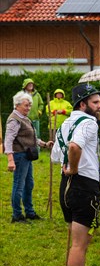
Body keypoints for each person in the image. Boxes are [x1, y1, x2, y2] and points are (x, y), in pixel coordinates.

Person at [51, 83, 100, 266]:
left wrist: (70, 169)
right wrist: (74, 167)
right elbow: (74, 147)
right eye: (95, 102)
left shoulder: (65, 124)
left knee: (77, 241)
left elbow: (56, 155)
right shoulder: (89, 123)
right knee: (80, 243)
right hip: (83, 186)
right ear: (82, 104)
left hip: (67, 186)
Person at [4, 91, 54, 222]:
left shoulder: (24, 118)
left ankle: (30, 212)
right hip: (19, 156)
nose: (29, 108)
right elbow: (8, 140)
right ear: (17, 105)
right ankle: (17, 215)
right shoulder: (14, 119)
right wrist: (10, 160)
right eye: (26, 105)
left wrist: (43, 144)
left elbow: (30, 136)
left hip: (27, 156)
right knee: (19, 185)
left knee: (29, 184)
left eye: (30, 105)